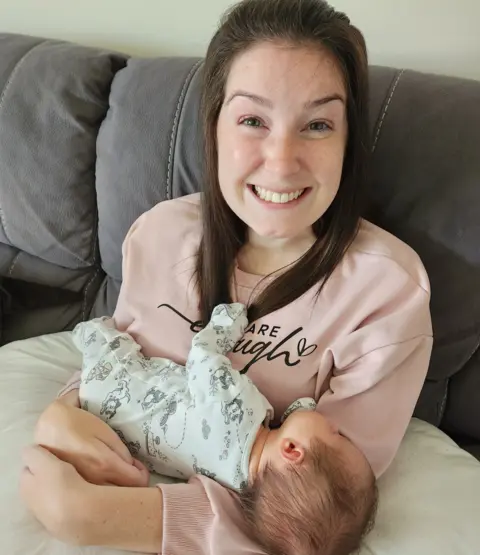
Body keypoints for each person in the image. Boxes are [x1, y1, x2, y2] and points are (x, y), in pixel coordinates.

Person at [20, 0, 433, 553]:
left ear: (348, 140)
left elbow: (316, 512)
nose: (282, 161)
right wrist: (64, 412)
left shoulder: (387, 296)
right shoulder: (159, 236)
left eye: (317, 124)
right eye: (252, 120)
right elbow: (128, 355)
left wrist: (103, 518)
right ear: (213, 127)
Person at [74, 304, 378, 555]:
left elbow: (204, 358)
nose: (335, 425)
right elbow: (294, 424)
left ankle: (87, 332)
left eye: (337, 435)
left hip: (114, 380)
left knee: (100, 335)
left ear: (292, 450)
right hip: (106, 420)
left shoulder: (239, 412)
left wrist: (227, 322)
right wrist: (302, 413)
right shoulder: (232, 482)